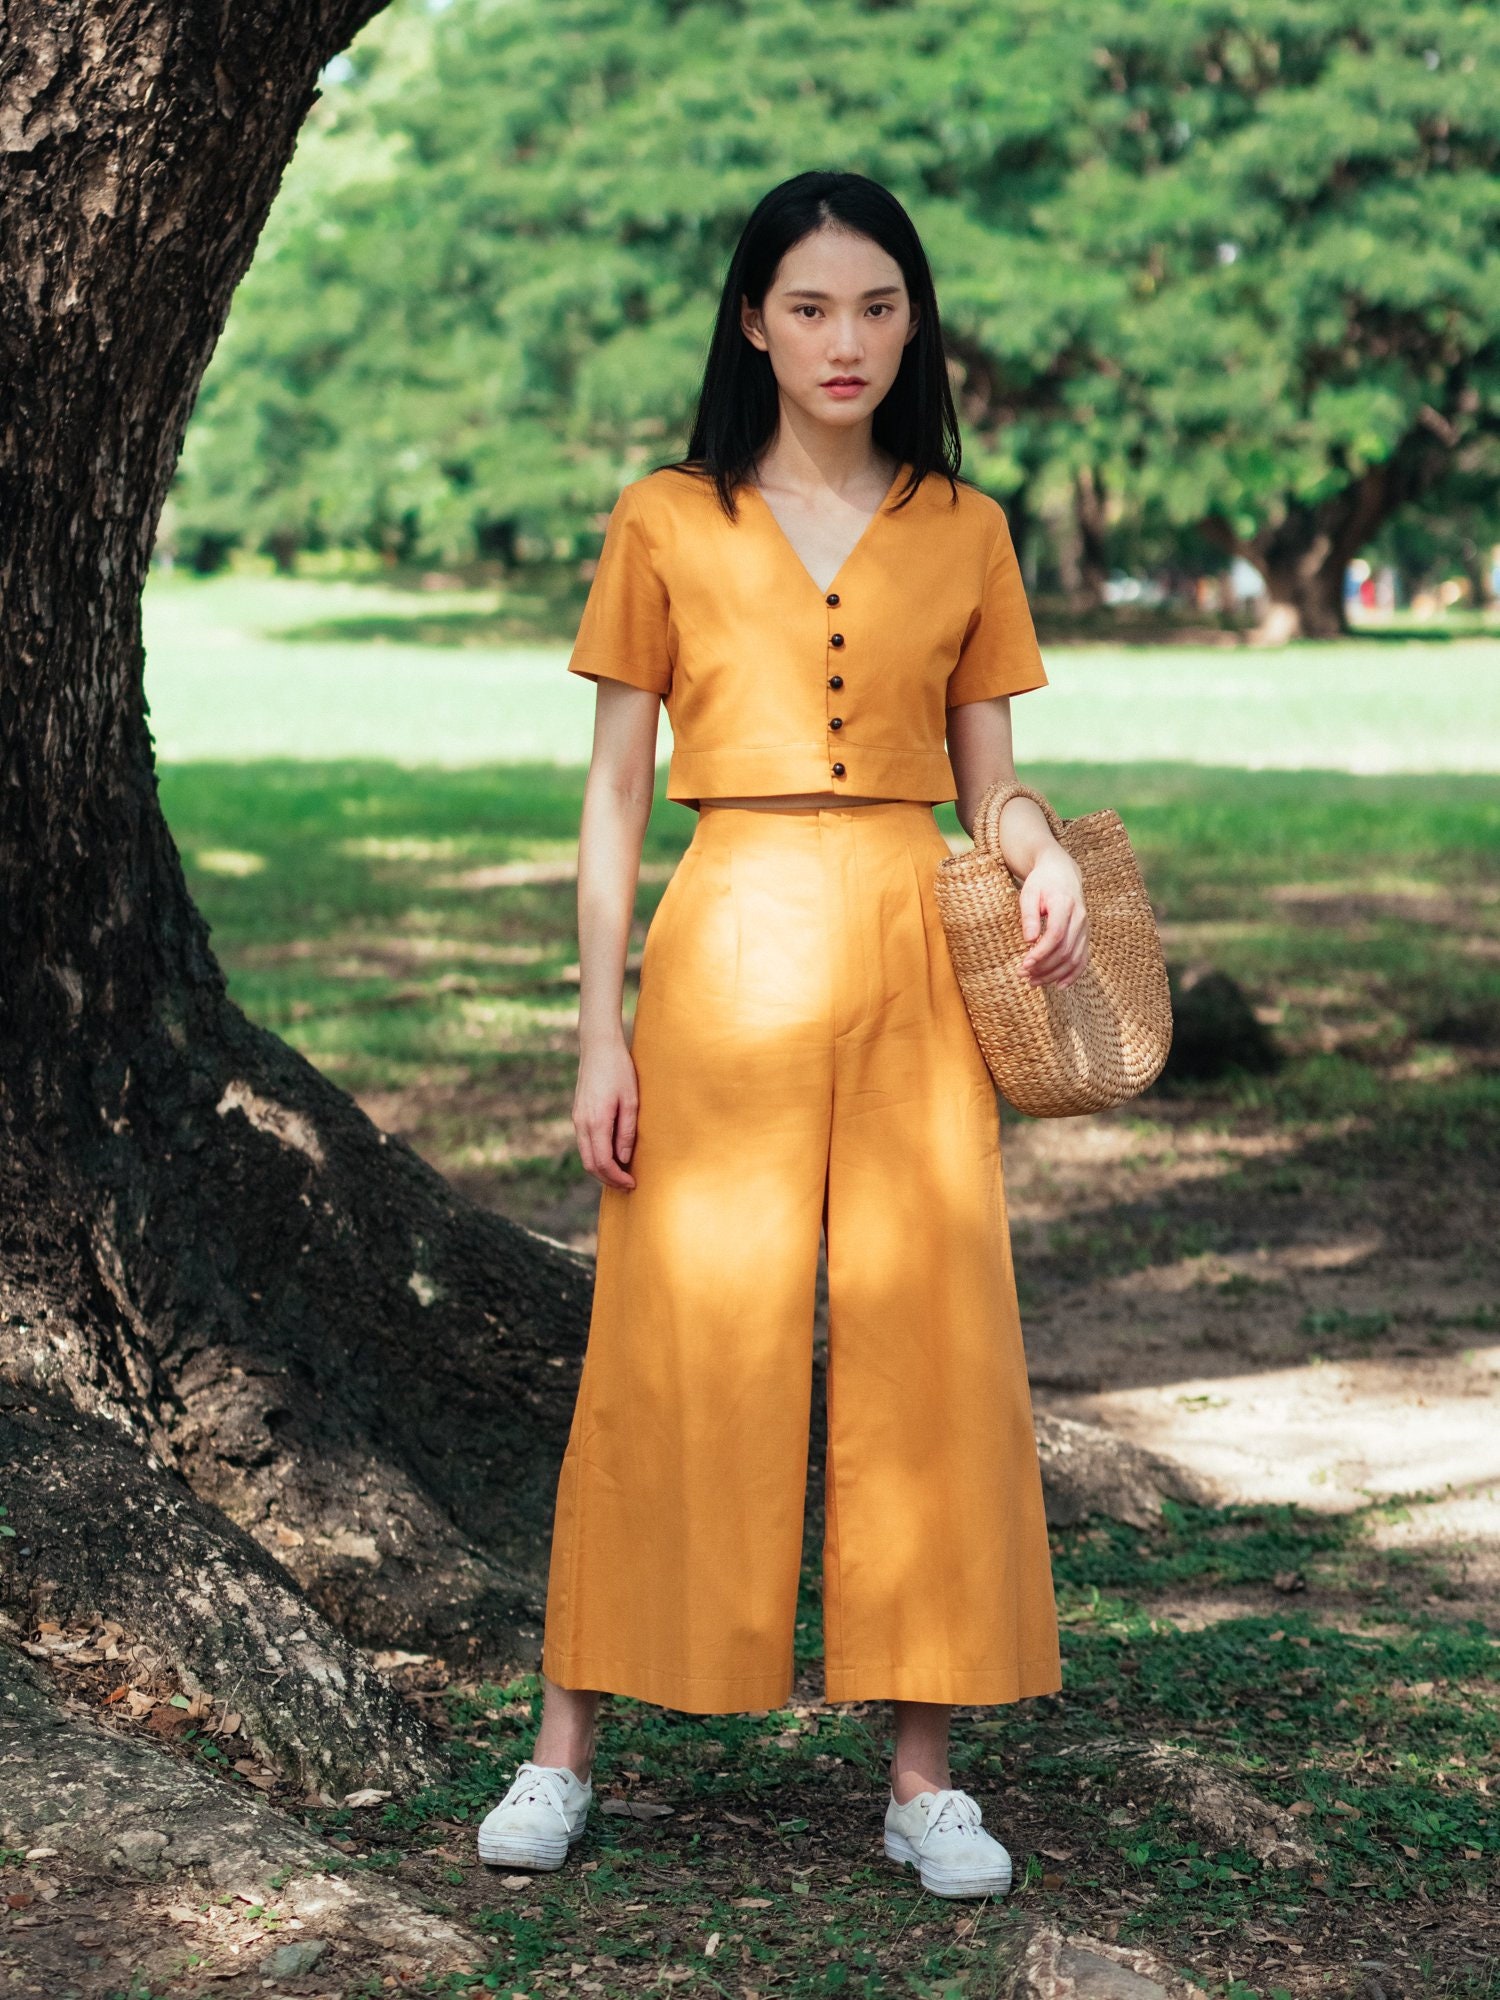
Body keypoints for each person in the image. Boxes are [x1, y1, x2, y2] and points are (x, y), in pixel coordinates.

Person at [476, 169, 1088, 1900]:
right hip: (724, 935)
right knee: (674, 1334)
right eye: (812, 306)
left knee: (932, 1335)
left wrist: (1034, 852)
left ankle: (922, 1779)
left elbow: (994, 782)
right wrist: (597, 1029)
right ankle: (563, 1750)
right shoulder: (664, 517)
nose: (847, 340)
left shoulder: (965, 526)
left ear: (917, 324)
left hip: (916, 941)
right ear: (753, 318)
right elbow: (610, 798)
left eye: (880, 307)